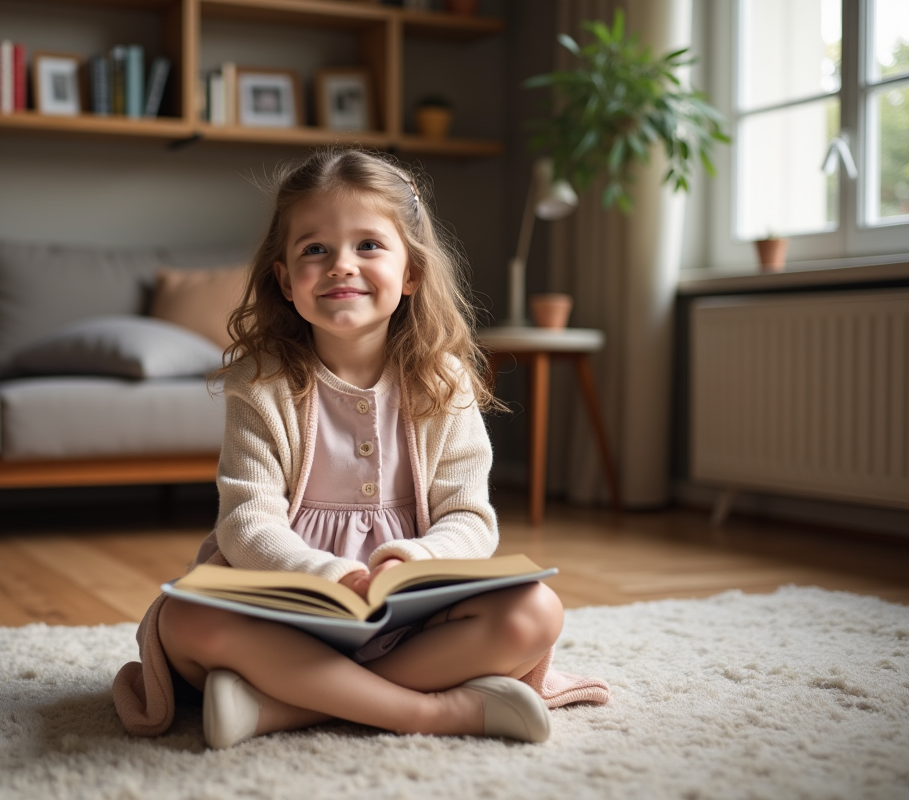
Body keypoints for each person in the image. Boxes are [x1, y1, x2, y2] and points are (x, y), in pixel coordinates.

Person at [112, 148, 609, 748]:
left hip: (411, 618)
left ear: (411, 274)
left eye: (369, 246)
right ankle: (433, 712)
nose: (341, 265)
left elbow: (470, 518)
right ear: (283, 279)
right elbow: (245, 521)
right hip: (282, 611)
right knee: (187, 618)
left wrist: (415, 563)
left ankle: (279, 706)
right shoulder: (261, 382)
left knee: (537, 612)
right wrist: (328, 575)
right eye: (314, 249)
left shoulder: (443, 381)